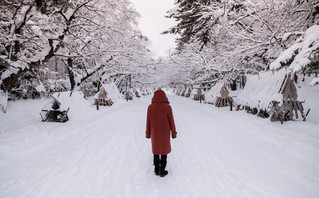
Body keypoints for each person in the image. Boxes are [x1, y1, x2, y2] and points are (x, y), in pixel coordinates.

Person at [146, 89, 177, 177]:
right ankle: (162, 170)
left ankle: (156, 169)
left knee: (155, 150)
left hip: (155, 133)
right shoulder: (167, 107)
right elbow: (172, 121)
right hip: (165, 133)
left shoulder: (150, 107)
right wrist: (173, 133)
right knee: (164, 150)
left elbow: (148, 121)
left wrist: (148, 134)